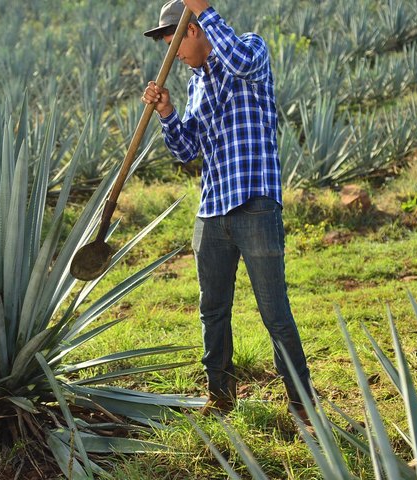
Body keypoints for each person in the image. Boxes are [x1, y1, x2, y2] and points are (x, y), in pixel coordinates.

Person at [142, 0, 314, 420]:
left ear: (194, 31)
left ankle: (303, 406)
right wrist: (167, 113)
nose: (173, 55)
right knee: (212, 310)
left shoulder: (250, 50)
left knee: (275, 312)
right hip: (212, 208)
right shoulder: (193, 85)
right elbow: (187, 151)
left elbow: (235, 60)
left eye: (173, 43)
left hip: (254, 202)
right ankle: (220, 396)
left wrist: (202, 8)